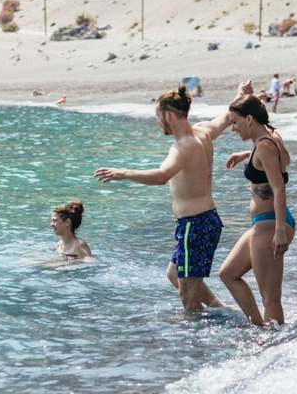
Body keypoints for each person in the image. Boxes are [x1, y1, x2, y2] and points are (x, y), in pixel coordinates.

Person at [94, 81, 252, 310]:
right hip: (205, 221)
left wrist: (123, 173)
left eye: (158, 116)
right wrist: (240, 93)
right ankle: (222, 310)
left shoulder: (182, 147)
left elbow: (161, 176)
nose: (157, 121)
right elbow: (228, 117)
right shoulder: (204, 131)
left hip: (195, 225)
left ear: (168, 116)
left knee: (188, 298)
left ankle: (195, 338)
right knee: (175, 275)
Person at [220, 95, 295, 326]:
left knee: (270, 298)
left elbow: (279, 188)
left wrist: (280, 231)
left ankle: (276, 345)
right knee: (228, 273)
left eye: (235, 122)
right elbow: (286, 161)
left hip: (271, 224)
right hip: (264, 223)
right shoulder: (270, 138)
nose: (232, 128)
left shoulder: (263, 146)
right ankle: (260, 329)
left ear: (249, 119)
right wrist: (248, 156)